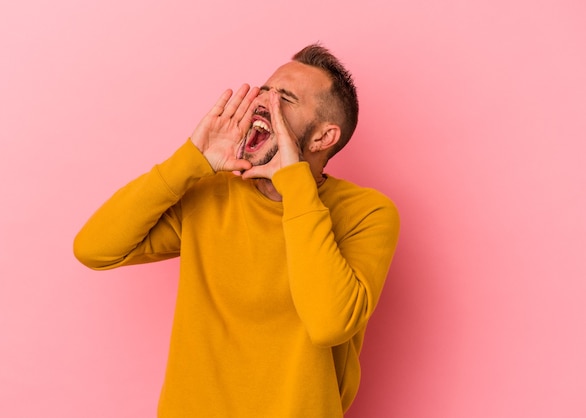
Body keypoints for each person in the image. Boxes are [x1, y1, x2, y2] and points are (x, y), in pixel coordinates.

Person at [74, 44, 400, 417]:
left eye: (286, 99)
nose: (263, 102)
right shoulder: (211, 193)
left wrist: (295, 187)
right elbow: (93, 248)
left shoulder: (367, 213)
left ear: (322, 138)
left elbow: (328, 324)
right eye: (265, 90)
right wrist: (190, 160)